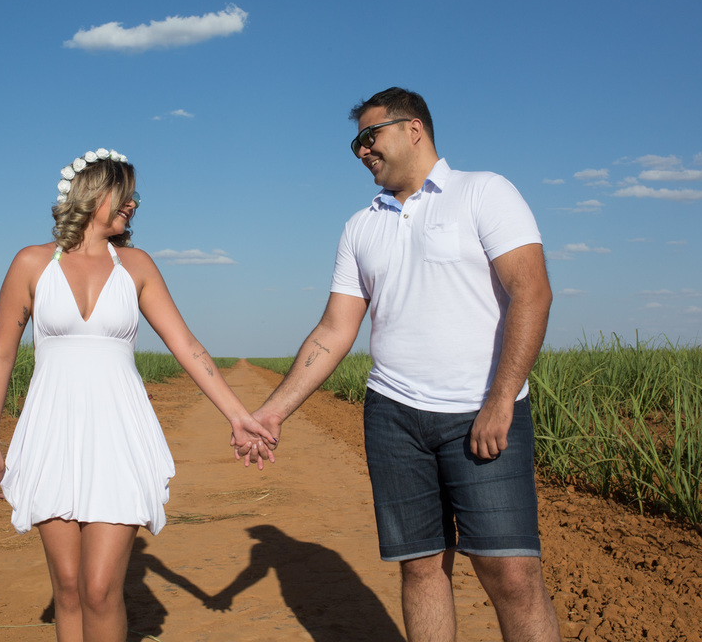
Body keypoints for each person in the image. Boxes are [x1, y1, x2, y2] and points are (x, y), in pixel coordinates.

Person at [239, 88, 560, 642]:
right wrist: (273, 412)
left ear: (414, 129)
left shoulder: (484, 191)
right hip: (394, 417)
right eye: (355, 144)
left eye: (370, 136)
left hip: (480, 410)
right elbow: (335, 329)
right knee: (421, 569)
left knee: (511, 574)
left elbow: (531, 293)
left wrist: (500, 399)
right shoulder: (360, 226)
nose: (362, 150)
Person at [0, 148, 274, 642]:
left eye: (134, 196)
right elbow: (1, 354)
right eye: (124, 193)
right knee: (67, 588)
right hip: (52, 434)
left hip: (117, 436)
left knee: (98, 589)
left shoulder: (136, 266)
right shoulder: (31, 263)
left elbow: (187, 347)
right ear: (91, 194)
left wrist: (237, 415)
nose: (133, 203)